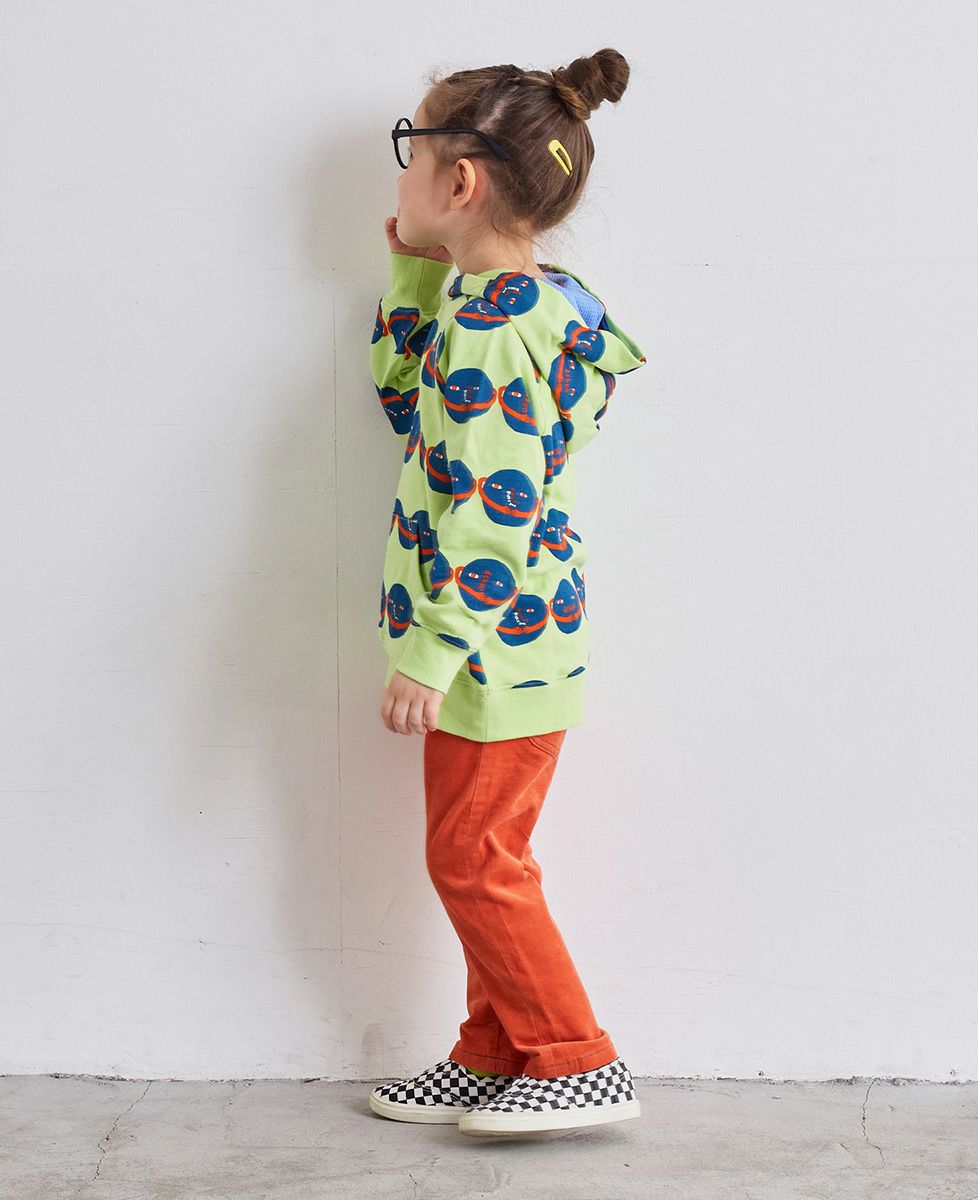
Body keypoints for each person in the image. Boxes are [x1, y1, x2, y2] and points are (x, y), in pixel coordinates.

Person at [367, 50, 648, 1138]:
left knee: (472, 860)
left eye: (409, 153)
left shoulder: (492, 327)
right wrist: (410, 278)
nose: (397, 178)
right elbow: (412, 409)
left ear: (460, 180)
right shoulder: (522, 306)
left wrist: (433, 647)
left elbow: (498, 506)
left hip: (489, 649)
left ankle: (576, 1057)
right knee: (482, 855)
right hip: (522, 639)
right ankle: (494, 1051)